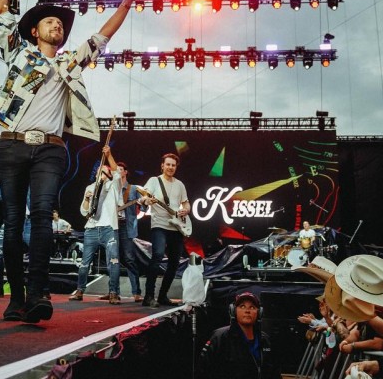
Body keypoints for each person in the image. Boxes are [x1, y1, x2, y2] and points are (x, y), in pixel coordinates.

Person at [0, 0, 143, 323]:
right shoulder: (18, 53)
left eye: (60, 23)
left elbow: (103, 36)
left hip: (50, 150)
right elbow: (1, 9)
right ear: (34, 32)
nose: (57, 25)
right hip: (11, 146)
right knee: (13, 220)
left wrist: (126, 2)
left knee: (42, 214)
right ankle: (17, 297)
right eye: (50, 21)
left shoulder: (70, 64)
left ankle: (40, 295)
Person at [140, 152, 190, 307]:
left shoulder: (180, 184)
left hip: (176, 227)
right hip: (159, 225)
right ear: (162, 165)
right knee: (158, 256)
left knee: (174, 263)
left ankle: (162, 296)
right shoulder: (154, 181)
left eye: (173, 165)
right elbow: (143, 197)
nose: (170, 167)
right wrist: (146, 200)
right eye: (168, 164)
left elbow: (186, 203)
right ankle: (148, 296)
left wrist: (186, 210)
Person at [69, 161, 123, 304]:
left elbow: (117, 172)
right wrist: (87, 199)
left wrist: (108, 155)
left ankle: (113, 292)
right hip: (91, 229)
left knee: (113, 262)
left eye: (104, 172)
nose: (101, 174)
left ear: (109, 174)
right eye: (99, 172)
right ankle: (79, 290)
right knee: (85, 263)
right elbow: (84, 211)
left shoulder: (113, 186)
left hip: (108, 228)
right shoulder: (90, 187)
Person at [199, 291, 283, 379]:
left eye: (252, 307)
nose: (247, 311)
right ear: (233, 311)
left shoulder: (265, 340)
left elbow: (275, 373)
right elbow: (203, 371)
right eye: (242, 306)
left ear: (259, 313)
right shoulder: (220, 338)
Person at [104, 145, 146, 302]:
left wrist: (143, 201)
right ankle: (113, 291)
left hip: (126, 227)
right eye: (117, 169)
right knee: (112, 259)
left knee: (129, 259)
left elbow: (144, 205)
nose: (119, 171)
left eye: (122, 169)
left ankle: (136, 292)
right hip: (112, 225)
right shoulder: (110, 188)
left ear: (126, 172)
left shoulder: (134, 188)